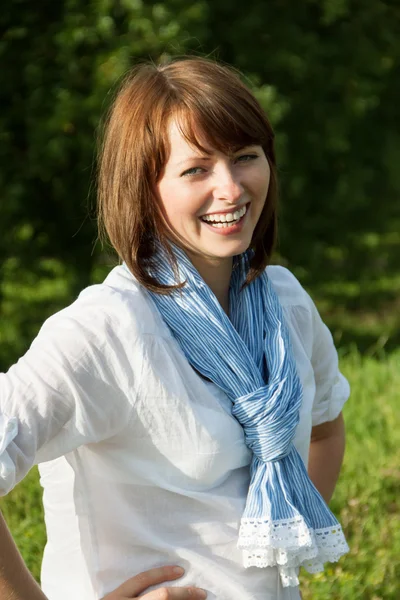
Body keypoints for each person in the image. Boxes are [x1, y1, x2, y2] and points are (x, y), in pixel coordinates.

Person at [0, 57, 350, 600]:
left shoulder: (285, 303)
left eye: (245, 157)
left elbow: (325, 427)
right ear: (144, 187)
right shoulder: (107, 329)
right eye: (196, 169)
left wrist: (285, 544)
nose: (230, 188)